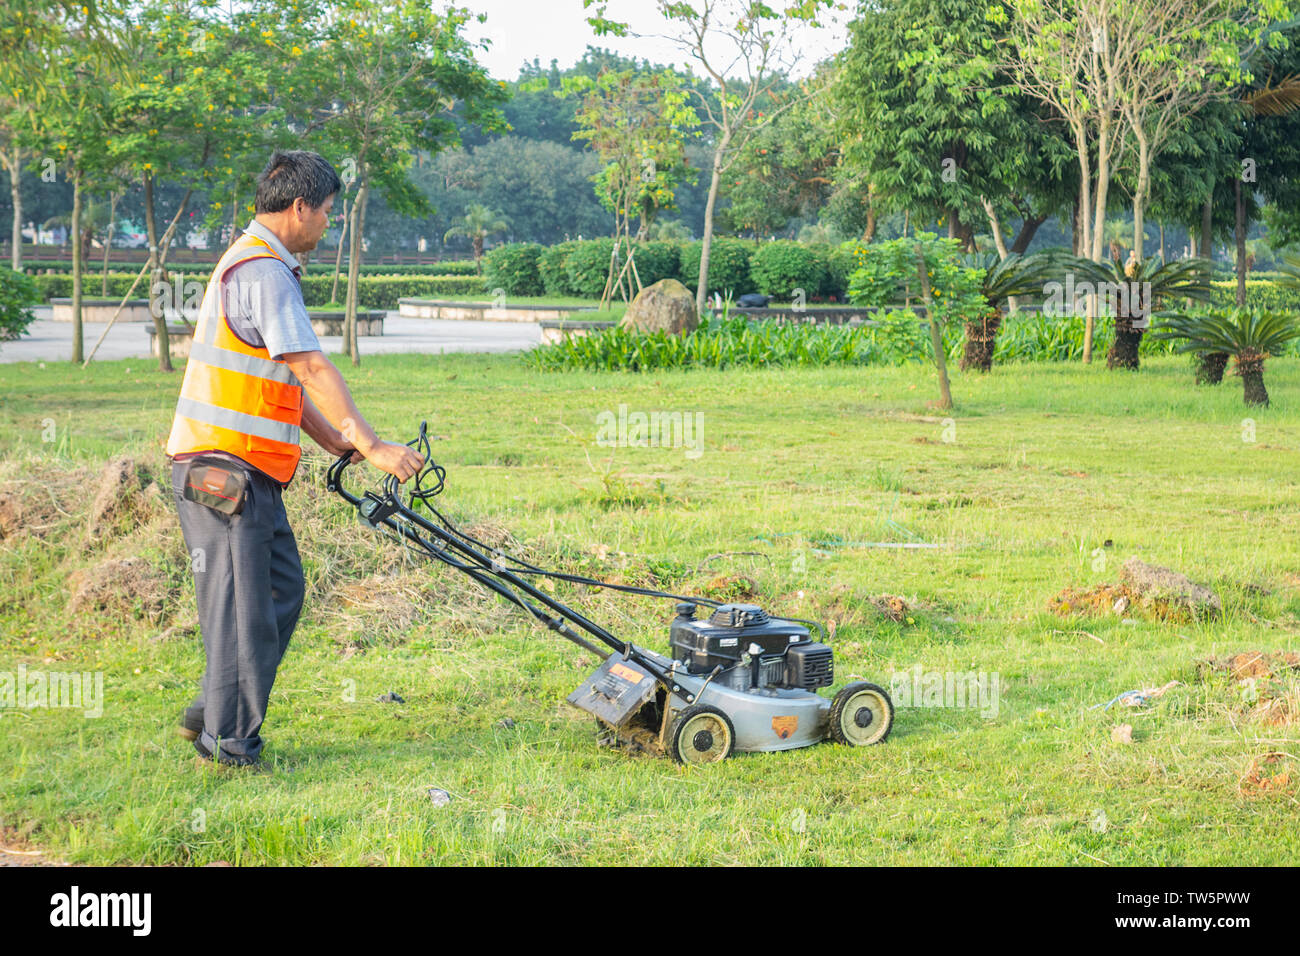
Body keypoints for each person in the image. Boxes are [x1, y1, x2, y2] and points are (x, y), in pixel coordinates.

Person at [165, 149, 424, 766]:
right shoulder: (264, 271)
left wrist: (330, 437)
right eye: (328, 212)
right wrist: (371, 442)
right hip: (225, 471)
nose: (329, 224)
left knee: (277, 591)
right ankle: (228, 743)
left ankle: (212, 709)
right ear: (299, 206)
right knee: (246, 611)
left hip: (238, 468)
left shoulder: (254, 262)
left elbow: (277, 375)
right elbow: (310, 364)